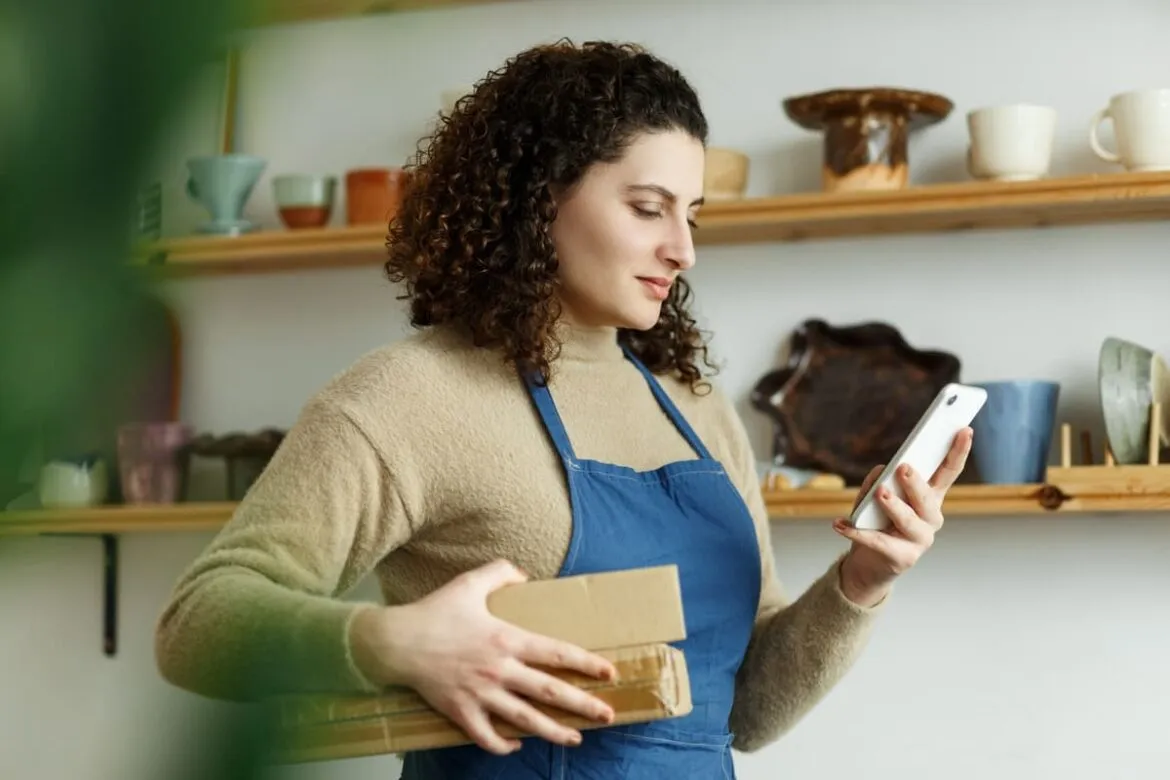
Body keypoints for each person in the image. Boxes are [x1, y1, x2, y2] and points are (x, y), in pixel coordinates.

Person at [154, 39, 972, 779]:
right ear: (538, 200)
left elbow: (746, 715)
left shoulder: (695, 406)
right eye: (648, 208)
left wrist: (862, 581)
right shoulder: (406, 398)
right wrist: (396, 642)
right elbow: (198, 621)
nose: (682, 250)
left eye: (691, 216)